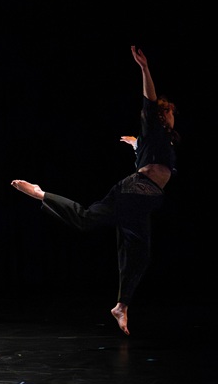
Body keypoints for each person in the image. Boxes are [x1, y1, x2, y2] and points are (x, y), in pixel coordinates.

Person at [11, 46, 178, 335]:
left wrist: (135, 144)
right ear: (163, 115)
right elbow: (149, 101)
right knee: (131, 247)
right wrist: (145, 69)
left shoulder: (161, 141)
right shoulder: (155, 127)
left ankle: (121, 306)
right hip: (136, 192)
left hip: (141, 198)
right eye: (170, 112)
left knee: (102, 229)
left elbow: (150, 152)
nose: (173, 116)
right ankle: (40, 194)